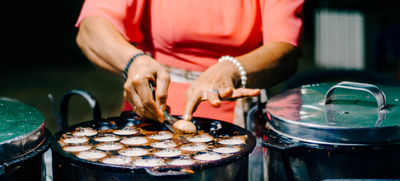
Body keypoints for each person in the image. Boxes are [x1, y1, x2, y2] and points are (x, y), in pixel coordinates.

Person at [75, 0, 304, 127]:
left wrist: (231, 68)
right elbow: (91, 29)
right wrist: (133, 60)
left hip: (238, 122)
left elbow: (285, 51)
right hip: (151, 117)